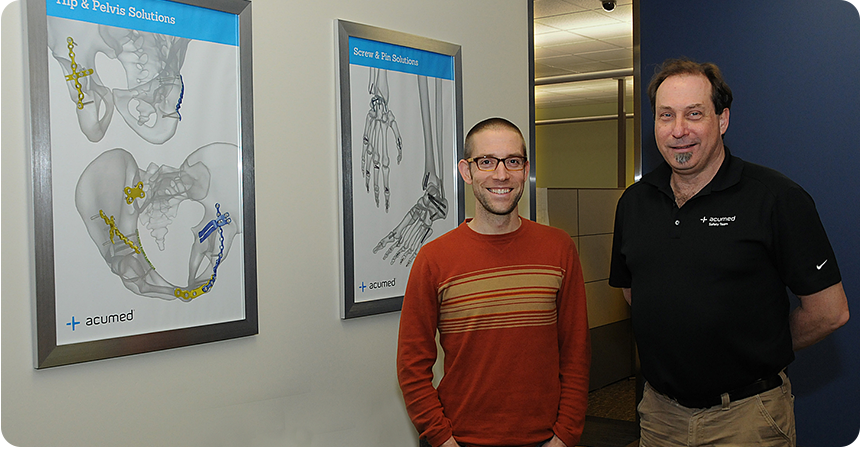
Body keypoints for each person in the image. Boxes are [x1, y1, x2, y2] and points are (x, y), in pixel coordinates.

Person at [609, 58, 850, 446]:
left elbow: (830, 312)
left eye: (694, 114)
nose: (678, 130)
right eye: (666, 115)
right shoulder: (634, 203)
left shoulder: (775, 198)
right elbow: (633, 292)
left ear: (722, 120)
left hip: (746, 418)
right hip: (658, 417)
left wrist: (758, 346)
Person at [397, 118, 591, 447]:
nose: (501, 175)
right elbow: (411, 365)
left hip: (545, 441)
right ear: (466, 171)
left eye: (513, 161)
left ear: (525, 169)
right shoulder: (434, 259)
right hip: (460, 440)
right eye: (486, 161)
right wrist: (442, 439)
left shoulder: (558, 248)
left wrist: (565, 436)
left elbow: (576, 353)